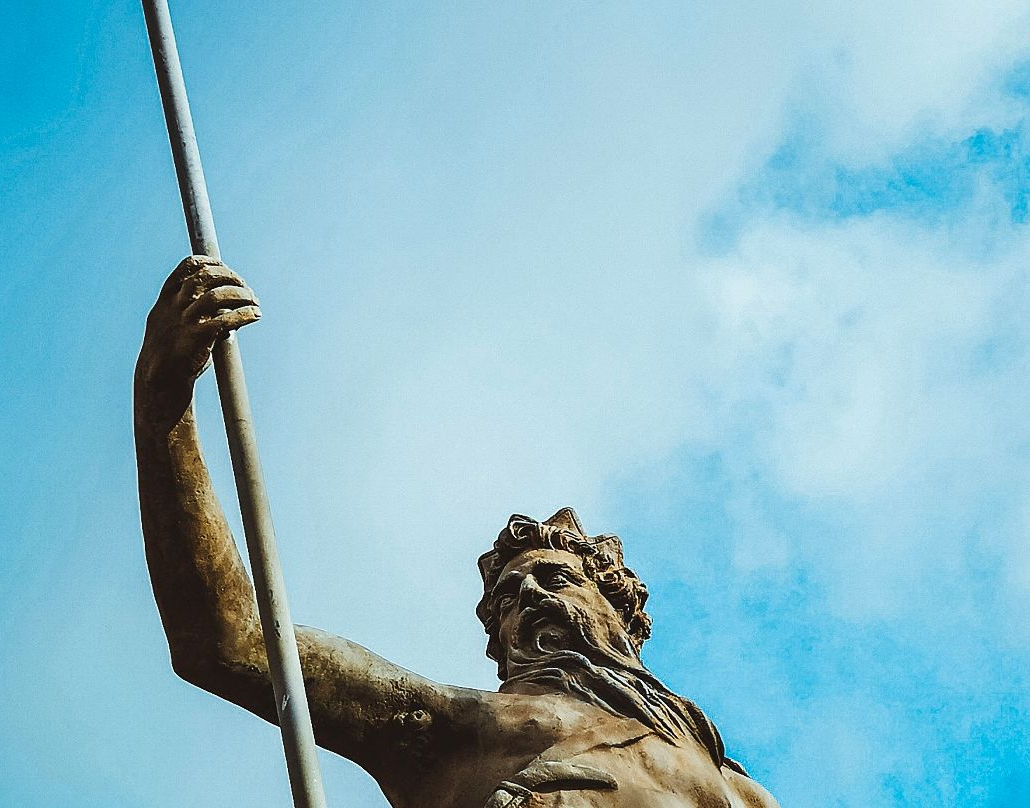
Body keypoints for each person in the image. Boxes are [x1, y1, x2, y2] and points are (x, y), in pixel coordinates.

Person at [134, 256, 782, 808]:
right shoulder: (460, 727)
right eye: (505, 598)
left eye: (552, 577)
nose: (526, 596)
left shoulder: (739, 792)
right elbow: (229, 641)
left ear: (620, 608)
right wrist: (162, 403)